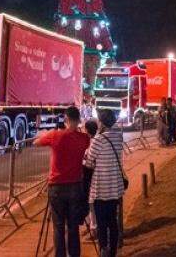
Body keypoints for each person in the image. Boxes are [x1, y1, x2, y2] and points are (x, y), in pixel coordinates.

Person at [36, 106, 91, 257]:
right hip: (75, 186)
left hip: (57, 186)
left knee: (58, 227)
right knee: (73, 227)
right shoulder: (84, 138)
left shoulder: (55, 136)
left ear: (65, 119)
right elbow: (88, 143)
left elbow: (36, 142)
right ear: (79, 120)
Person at [85, 110, 125, 257]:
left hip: (101, 189)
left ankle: (103, 250)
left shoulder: (98, 140)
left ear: (102, 122)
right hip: (115, 188)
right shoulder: (118, 137)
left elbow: (89, 162)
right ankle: (113, 252)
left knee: (102, 223)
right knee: (113, 222)